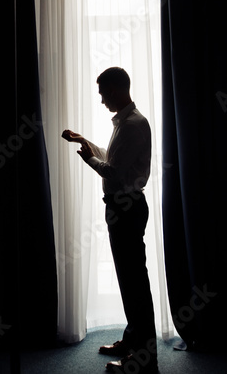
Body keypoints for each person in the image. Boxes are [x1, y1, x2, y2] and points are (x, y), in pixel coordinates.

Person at [62, 67, 159, 374]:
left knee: (135, 284)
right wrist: (86, 141)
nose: (102, 100)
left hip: (127, 208)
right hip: (123, 208)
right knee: (129, 281)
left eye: (103, 93)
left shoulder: (132, 125)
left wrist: (86, 157)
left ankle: (144, 358)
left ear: (115, 90)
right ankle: (133, 341)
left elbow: (112, 172)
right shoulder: (125, 122)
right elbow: (113, 158)